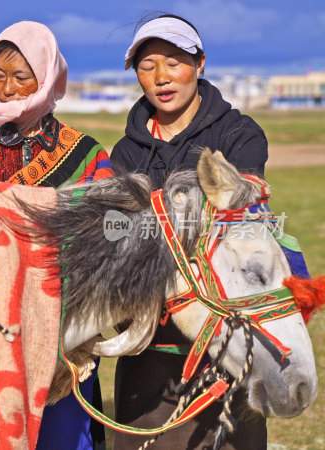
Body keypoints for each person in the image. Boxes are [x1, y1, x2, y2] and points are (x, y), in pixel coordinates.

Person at [0, 20, 112, 450]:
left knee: (63, 436)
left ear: (48, 77)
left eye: (22, 77)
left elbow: (108, 226)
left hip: (62, 321)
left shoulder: (84, 151)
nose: (8, 88)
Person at [109, 14, 269, 449]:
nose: (161, 77)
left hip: (226, 338)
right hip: (149, 343)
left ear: (200, 64)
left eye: (175, 61)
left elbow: (236, 210)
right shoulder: (125, 151)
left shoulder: (239, 134)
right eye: (147, 65)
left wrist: (147, 224)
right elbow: (113, 228)